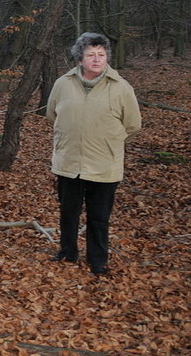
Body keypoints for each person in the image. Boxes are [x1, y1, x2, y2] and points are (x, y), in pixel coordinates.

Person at [45, 32, 141, 276]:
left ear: (107, 58)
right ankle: (68, 252)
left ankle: (97, 260)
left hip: (104, 165)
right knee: (69, 212)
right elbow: (52, 115)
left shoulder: (121, 87)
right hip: (69, 162)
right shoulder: (62, 84)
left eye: (101, 54)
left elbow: (133, 125)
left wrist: (109, 143)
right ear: (80, 59)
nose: (97, 59)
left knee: (99, 217)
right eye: (91, 55)